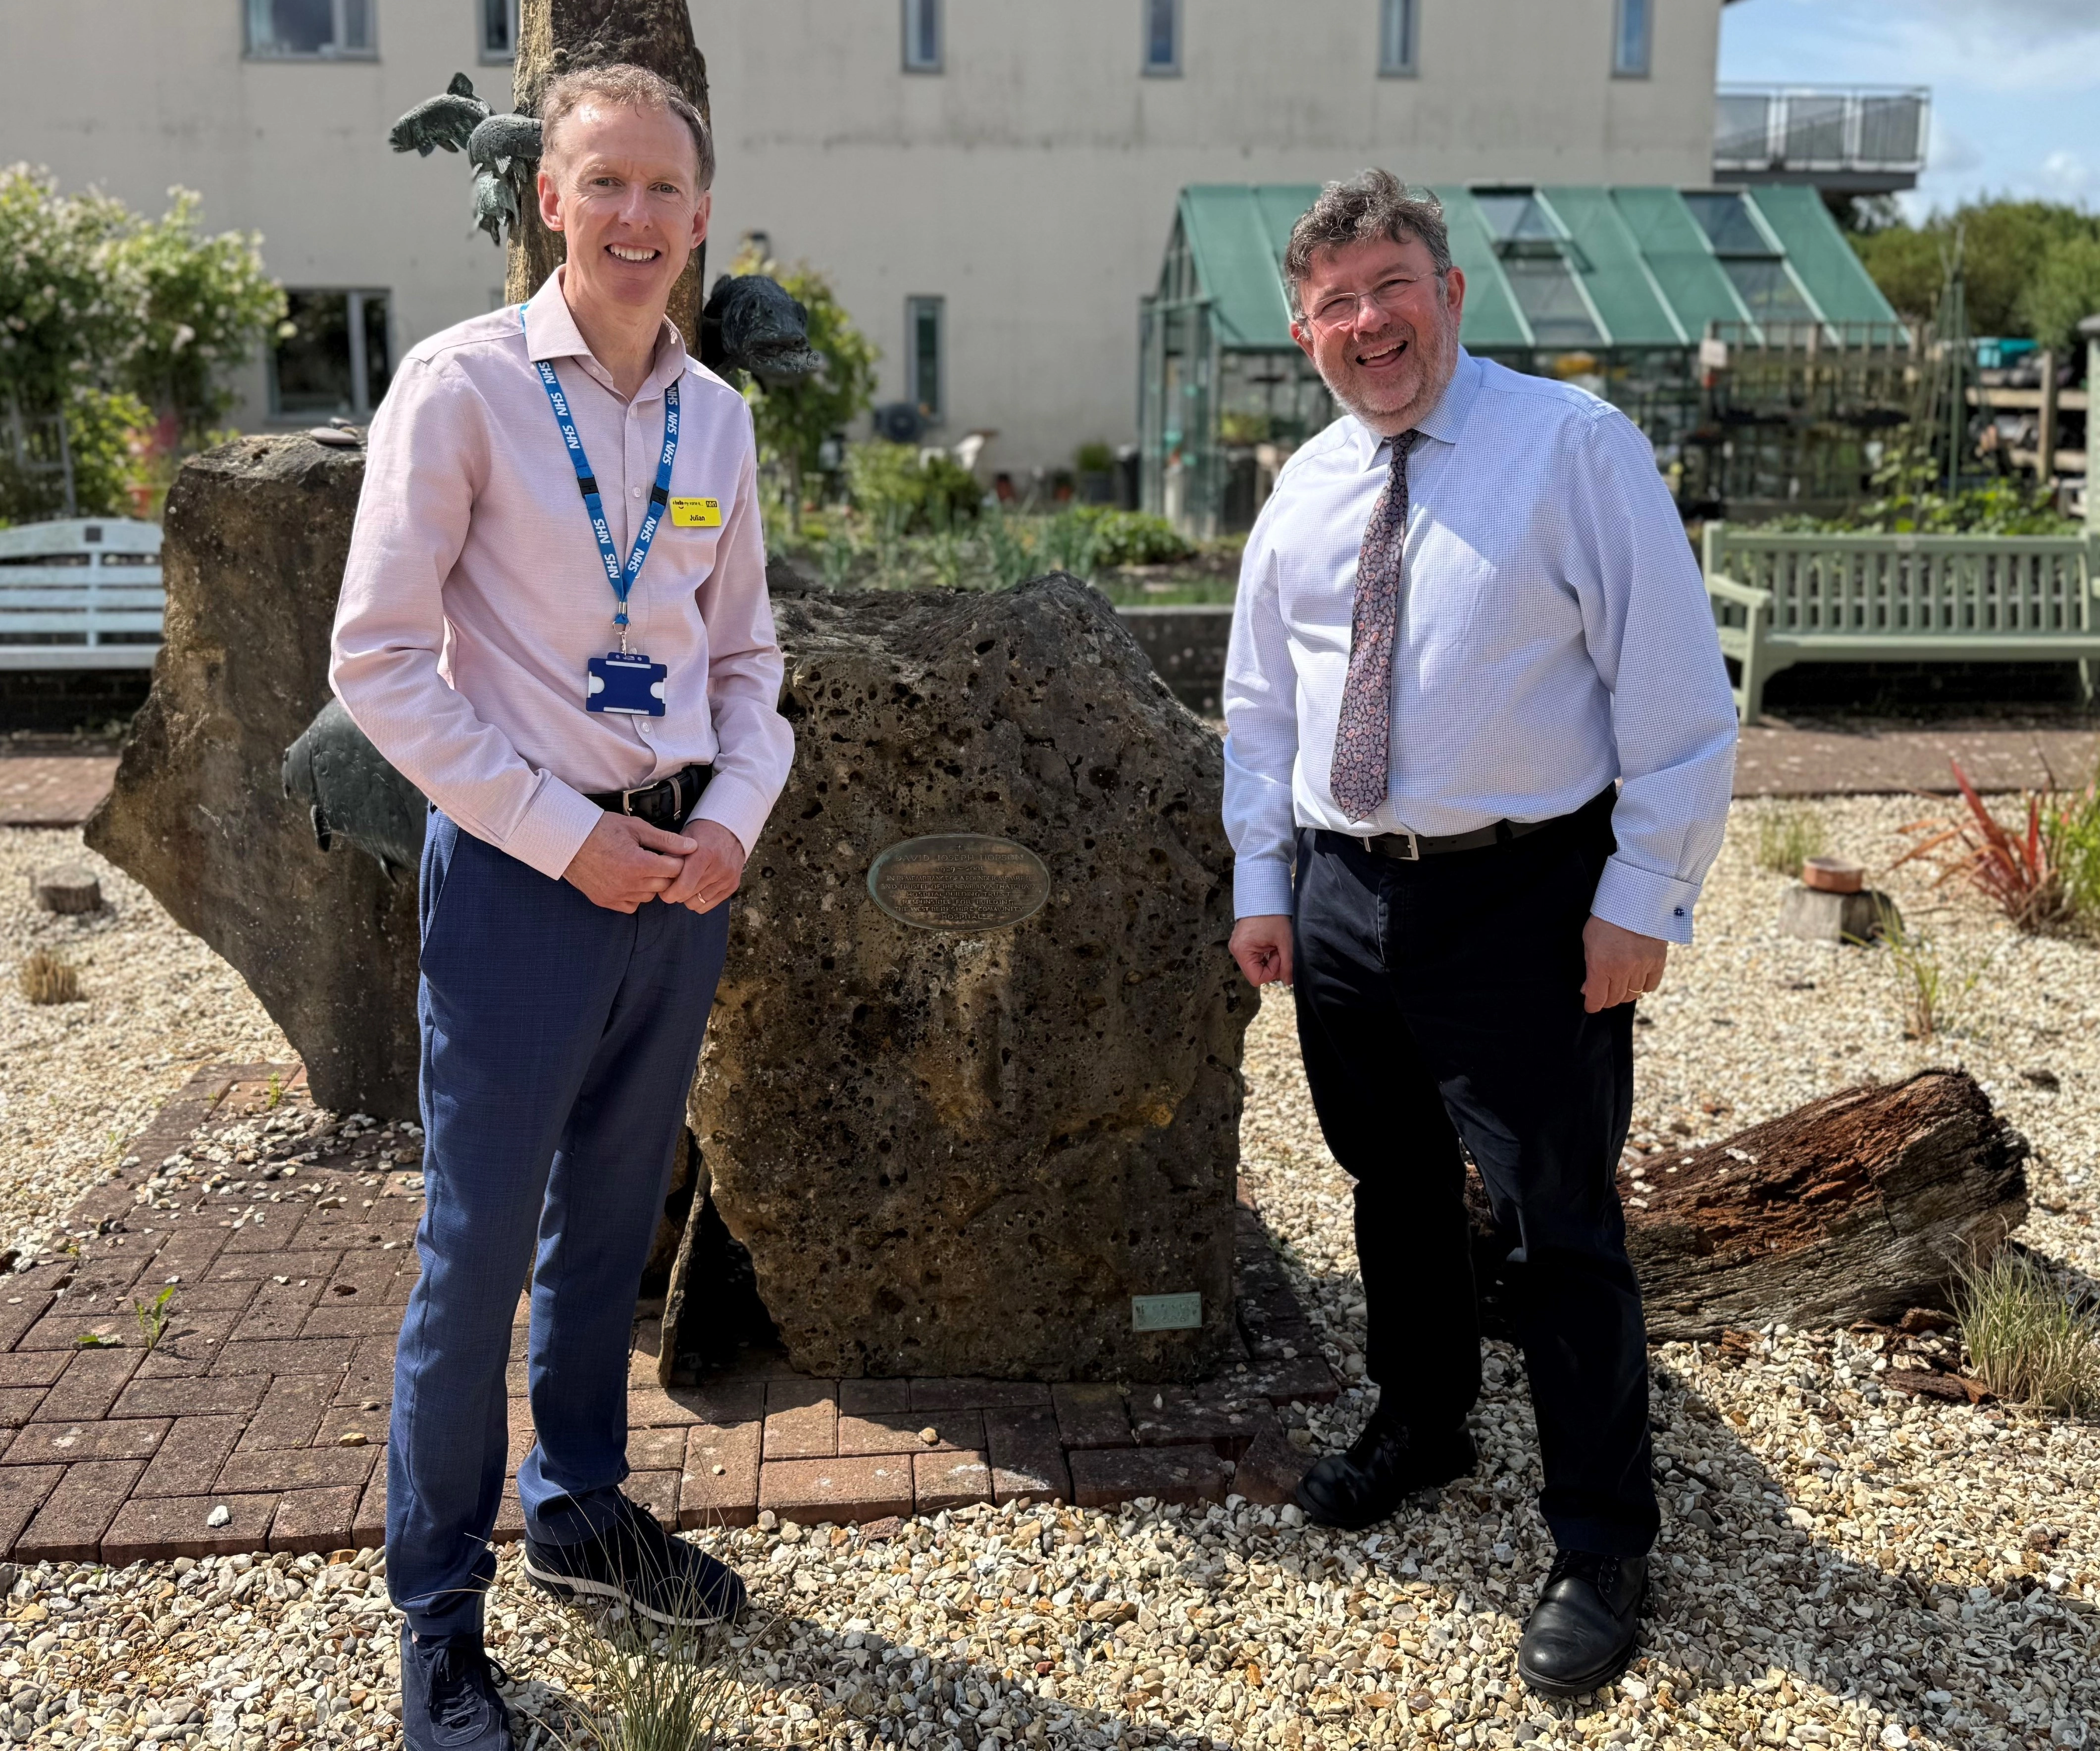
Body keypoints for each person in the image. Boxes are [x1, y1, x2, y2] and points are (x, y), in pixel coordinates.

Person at [1222, 171, 1737, 1699]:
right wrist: (1266, 886)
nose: (1367, 323)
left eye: (1391, 285)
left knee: (1556, 1222)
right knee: (1387, 1181)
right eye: (1334, 304)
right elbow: (1262, 705)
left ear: (1450, 292)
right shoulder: (1305, 486)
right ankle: (1424, 1419)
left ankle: (1602, 1538)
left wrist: (1641, 901)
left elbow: (1679, 699)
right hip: (1344, 895)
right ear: (1305, 334)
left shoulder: (1573, 448)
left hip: (1523, 900)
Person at [330, 63, 793, 1751]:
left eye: (666, 189)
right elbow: (380, 660)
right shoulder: (460, 388)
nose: (636, 217)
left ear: (701, 213)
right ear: (550, 198)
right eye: (606, 183)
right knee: (472, 1260)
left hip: (679, 883)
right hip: (526, 889)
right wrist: (555, 835)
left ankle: (580, 1505)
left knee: (606, 1227)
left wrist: (730, 820)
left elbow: (748, 662)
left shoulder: (716, 420)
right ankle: (438, 1614)